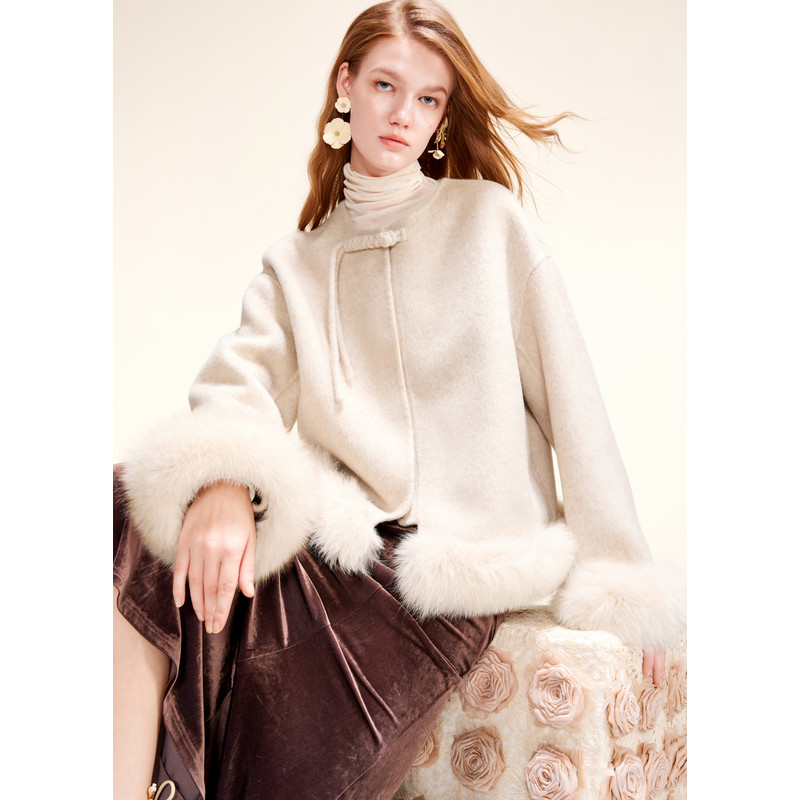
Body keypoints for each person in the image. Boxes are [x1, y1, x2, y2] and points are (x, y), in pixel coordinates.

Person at [113, 1, 686, 798]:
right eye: (386, 85)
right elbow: (236, 385)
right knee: (127, 502)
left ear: (444, 116)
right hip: (329, 557)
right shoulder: (297, 265)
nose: (403, 114)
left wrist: (623, 574)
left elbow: (574, 401)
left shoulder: (490, 224)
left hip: (449, 578)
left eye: (428, 98)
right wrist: (220, 483)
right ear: (345, 86)